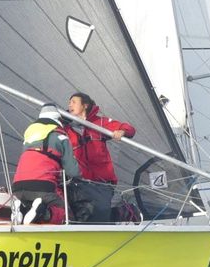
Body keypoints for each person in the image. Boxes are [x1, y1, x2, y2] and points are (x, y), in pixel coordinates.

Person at [64, 92, 135, 222]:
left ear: (85, 105)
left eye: (73, 102)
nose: (70, 105)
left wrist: (122, 131)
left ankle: (126, 212)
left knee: (98, 216)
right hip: (78, 182)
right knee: (79, 217)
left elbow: (128, 128)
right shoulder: (66, 127)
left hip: (100, 181)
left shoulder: (99, 122)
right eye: (69, 103)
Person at [11, 104, 82, 225]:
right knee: (62, 211)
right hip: (43, 186)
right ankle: (44, 213)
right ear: (57, 119)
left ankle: (21, 210)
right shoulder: (61, 136)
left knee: (30, 202)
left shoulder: (29, 136)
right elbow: (73, 171)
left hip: (18, 186)